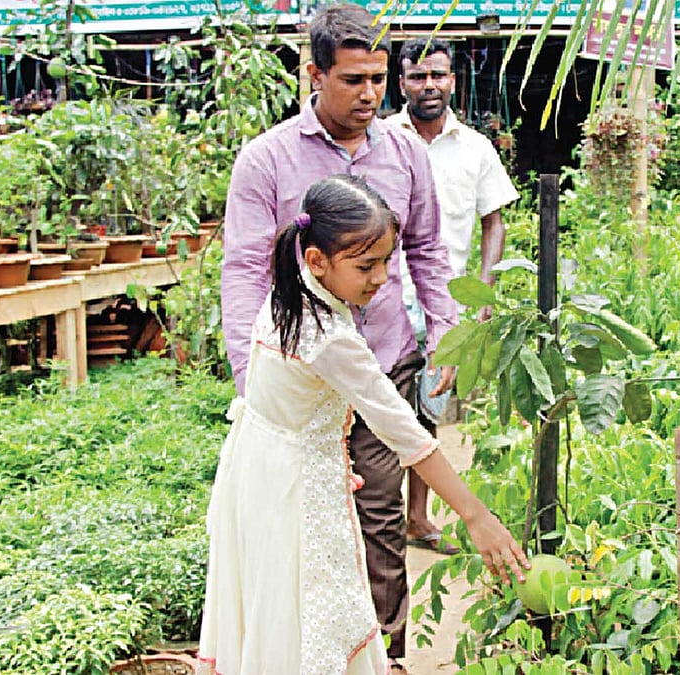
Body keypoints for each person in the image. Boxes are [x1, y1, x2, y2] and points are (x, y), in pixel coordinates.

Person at [199, 176, 527, 675]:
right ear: (317, 260)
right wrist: (475, 515)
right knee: (314, 617)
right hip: (293, 491)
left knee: (284, 611)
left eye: (386, 261)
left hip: (259, 472)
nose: (380, 277)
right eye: (366, 265)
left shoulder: (288, 295)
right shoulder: (328, 336)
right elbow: (406, 433)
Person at [219, 6, 459, 671]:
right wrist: (254, 381)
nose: (369, 95)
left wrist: (444, 334)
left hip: (382, 363)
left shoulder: (406, 149)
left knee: (382, 529)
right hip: (301, 398)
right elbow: (243, 268)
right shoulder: (267, 159)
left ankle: (388, 658)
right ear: (314, 74)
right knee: (300, 537)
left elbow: (430, 249)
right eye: (352, 79)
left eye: (379, 78)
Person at [388, 37, 521, 556]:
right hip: (378, 296)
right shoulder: (382, 139)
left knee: (429, 407)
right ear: (402, 84)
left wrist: (483, 289)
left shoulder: (475, 148)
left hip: (443, 304)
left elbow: (495, 222)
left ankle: (417, 518)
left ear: (452, 81)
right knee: (370, 407)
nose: (429, 85)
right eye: (418, 77)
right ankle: (371, 513)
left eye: (437, 76)